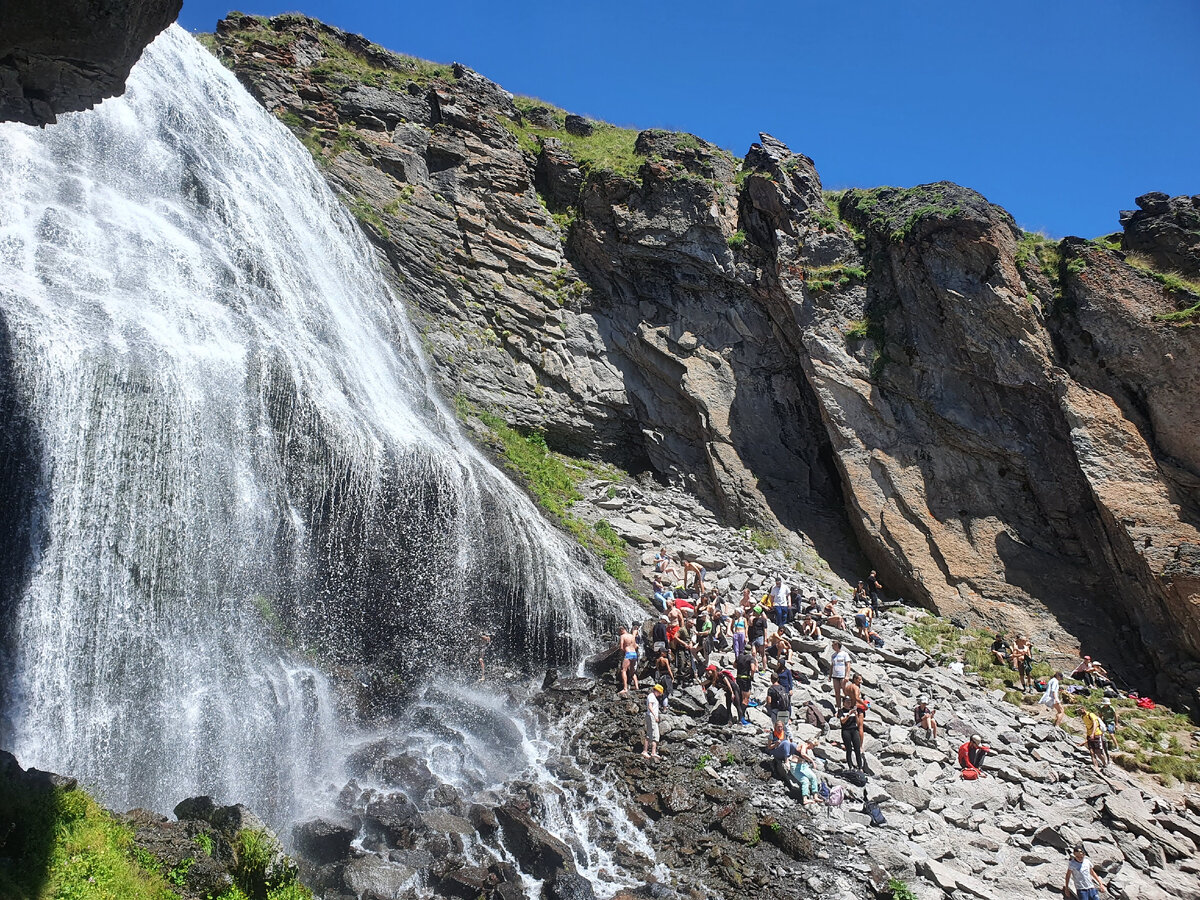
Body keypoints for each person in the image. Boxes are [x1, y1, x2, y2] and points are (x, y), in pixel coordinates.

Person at [838, 696, 865, 772]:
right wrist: (849, 714)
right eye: (847, 701)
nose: (849, 703)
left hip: (854, 730)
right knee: (849, 749)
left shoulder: (852, 710)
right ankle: (850, 766)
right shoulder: (841, 711)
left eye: (850, 701)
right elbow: (842, 721)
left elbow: (858, 723)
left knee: (857, 748)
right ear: (844, 702)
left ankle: (860, 767)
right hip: (846, 731)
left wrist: (856, 715)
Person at [735, 647, 756, 723]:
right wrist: (752, 676)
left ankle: (738, 715)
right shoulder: (751, 658)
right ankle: (741, 717)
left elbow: (734, 665)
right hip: (746, 679)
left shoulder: (739, 657)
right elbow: (753, 669)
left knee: (739, 697)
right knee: (745, 699)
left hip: (738, 678)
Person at [617, 626, 640, 696]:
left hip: (628, 653)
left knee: (623, 670)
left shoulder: (622, 636)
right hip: (634, 654)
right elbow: (636, 646)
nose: (618, 634)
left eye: (619, 632)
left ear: (621, 630)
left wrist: (623, 652)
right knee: (632, 671)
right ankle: (637, 687)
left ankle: (625, 688)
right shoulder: (632, 636)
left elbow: (621, 647)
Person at [830, 640, 852, 709]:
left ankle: (849, 705)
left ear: (837, 645)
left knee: (845, 691)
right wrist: (830, 675)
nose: (832, 646)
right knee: (837, 692)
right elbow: (832, 665)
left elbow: (848, 665)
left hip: (842, 675)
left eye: (833, 645)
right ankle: (839, 707)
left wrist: (847, 675)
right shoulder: (833, 655)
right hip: (835, 675)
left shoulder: (844, 654)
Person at [643, 685, 662, 759]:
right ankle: (645, 751)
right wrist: (655, 716)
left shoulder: (653, 697)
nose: (660, 695)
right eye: (660, 693)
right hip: (651, 716)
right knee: (651, 734)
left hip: (652, 717)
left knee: (655, 734)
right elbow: (650, 706)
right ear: (657, 691)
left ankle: (653, 752)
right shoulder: (651, 696)